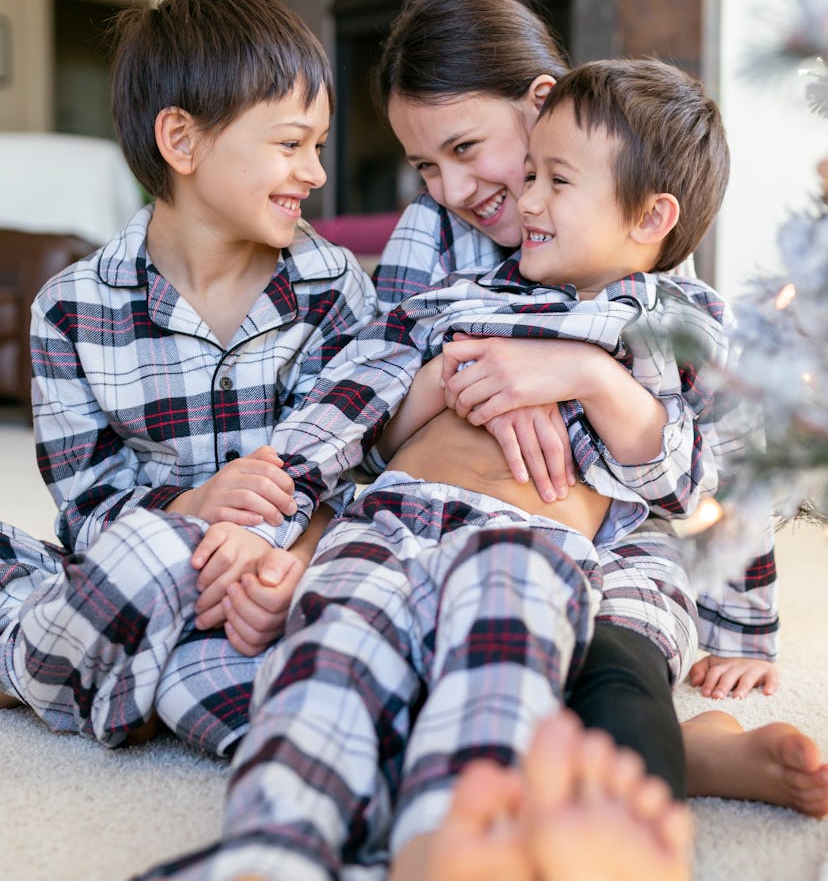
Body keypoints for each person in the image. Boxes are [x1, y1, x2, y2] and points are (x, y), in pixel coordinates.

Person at [135, 55, 780, 881]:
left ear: (652, 218)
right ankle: (271, 847)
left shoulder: (686, 329)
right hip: (389, 522)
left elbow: (713, 481)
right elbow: (345, 412)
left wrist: (590, 378)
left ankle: (453, 847)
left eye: (556, 180)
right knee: (324, 663)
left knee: (497, 674)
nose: (527, 201)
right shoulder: (459, 295)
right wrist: (276, 521)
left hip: (527, 542)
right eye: (533, 175)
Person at [369, 0, 827, 813]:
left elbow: (721, 454)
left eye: (467, 150)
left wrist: (744, 630)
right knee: (432, 651)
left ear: (541, 107)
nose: (452, 190)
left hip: (625, 524)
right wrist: (488, 380)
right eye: (424, 166)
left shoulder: (644, 251)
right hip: (468, 511)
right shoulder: (426, 238)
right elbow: (369, 394)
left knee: (620, 651)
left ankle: (667, 764)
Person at [0, 0, 376, 756]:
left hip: (275, 594)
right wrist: (196, 506)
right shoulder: (72, 310)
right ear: (183, 141)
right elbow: (88, 509)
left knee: (230, 694)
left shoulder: (334, 287)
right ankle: (96, 658)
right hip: (142, 571)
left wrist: (286, 563)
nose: (315, 173)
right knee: (129, 556)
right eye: (289, 143)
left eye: (319, 145)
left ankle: (69, 668)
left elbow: (360, 473)